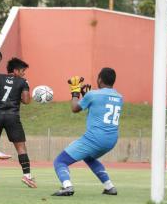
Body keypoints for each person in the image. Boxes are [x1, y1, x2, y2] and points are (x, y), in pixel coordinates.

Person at [52, 68, 122, 196]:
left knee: (60, 161)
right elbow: (99, 107)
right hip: (111, 139)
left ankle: (67, 186)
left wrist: (75, 92)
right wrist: (86, 96)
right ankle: (109, 187)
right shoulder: (119, 96)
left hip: (95, 138)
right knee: (89, 158)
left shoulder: (93, 95)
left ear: (99, 79)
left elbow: (75, 108)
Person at [0, 57, 36, 188]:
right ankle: (27, 176)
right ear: (16, 70)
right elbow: (27, 101)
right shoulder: (23, 82)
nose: (23, 74)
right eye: (22, 71)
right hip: (12, 117)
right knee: (21, 147)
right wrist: (25, 90)